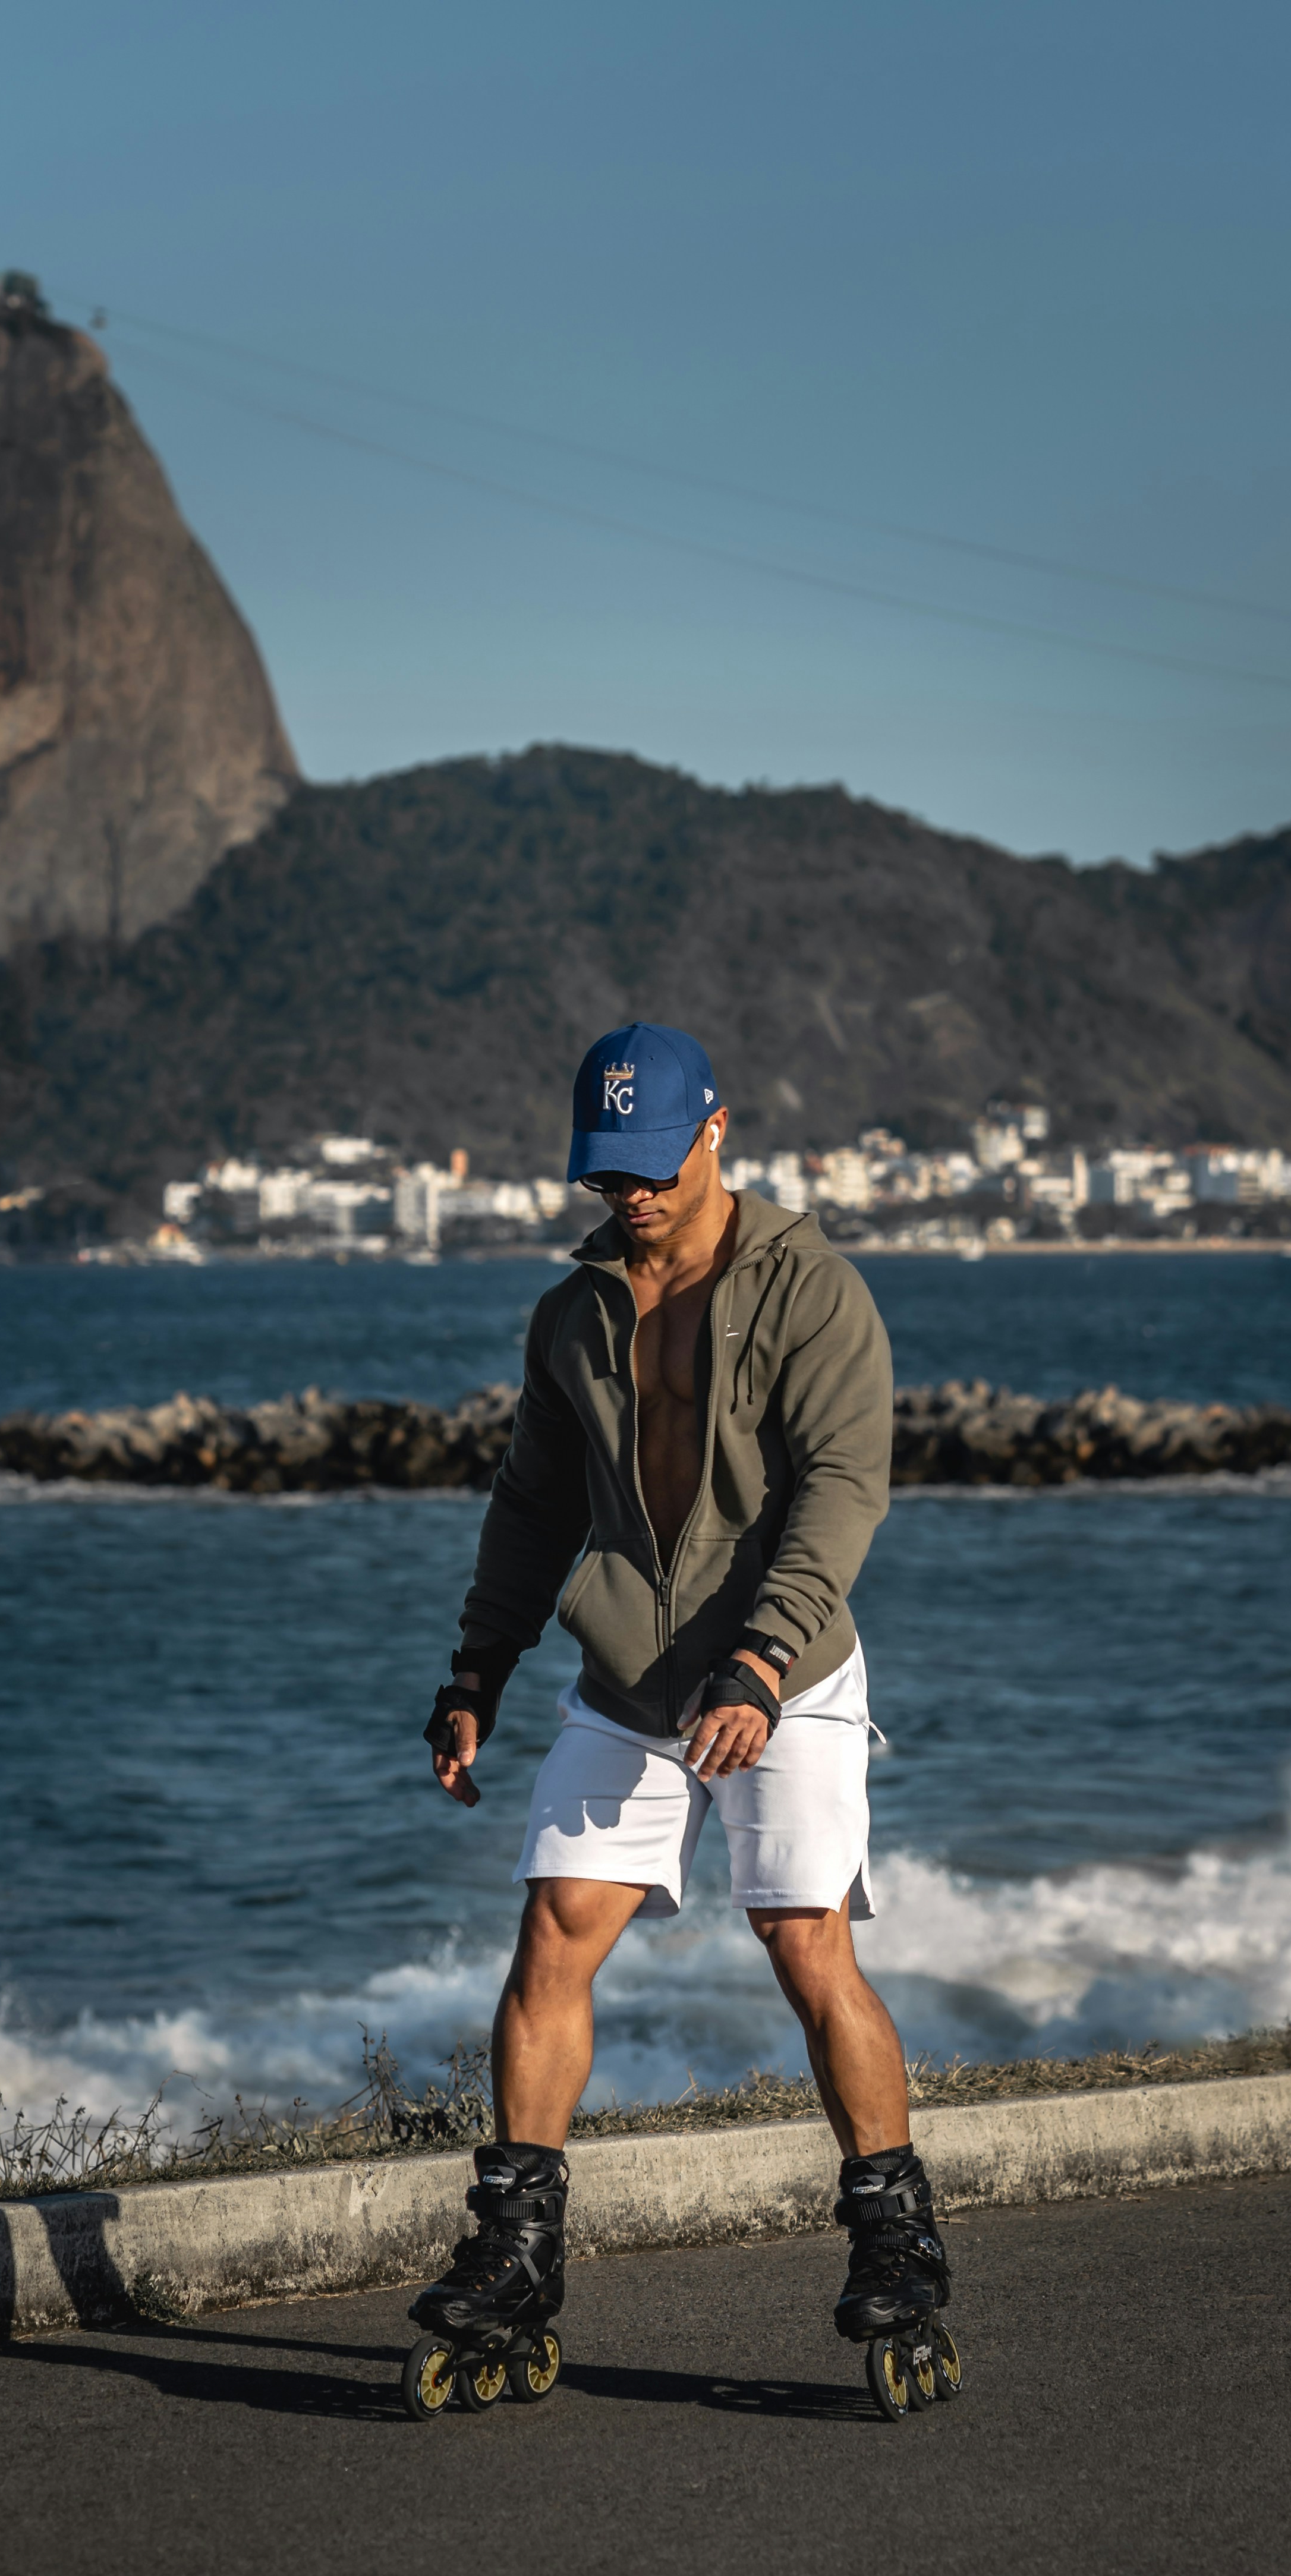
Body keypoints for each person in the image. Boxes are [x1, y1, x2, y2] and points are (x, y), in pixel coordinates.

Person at [407, 1021, 952, 2412]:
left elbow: (843, 1489)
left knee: (803, 1941)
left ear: (718, 1132)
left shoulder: (811, 1292)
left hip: (789, 1673)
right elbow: (532, 1509)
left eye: (655, 1166)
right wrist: (478, 1675)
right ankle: (517, 2264)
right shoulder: (573, 1315)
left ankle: (897, 2251)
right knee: (552, 1933)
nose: (633, 1195)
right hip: (634, 1683)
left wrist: (764, 1665)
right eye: (609, 1173)